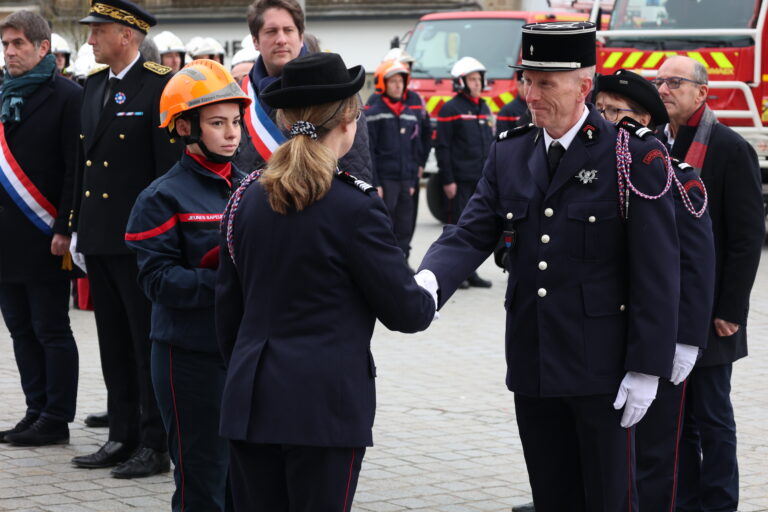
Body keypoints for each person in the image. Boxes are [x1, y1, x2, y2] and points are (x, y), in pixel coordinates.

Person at [417, 22, 681, 511]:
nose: (529, 94)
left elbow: (657, 268)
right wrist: (429, 281)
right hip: (535, 358)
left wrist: (648, 367)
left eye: (544, 82)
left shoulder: (631, 154)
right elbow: (472, 229)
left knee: (608, 499)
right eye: (526, 79)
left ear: (584, 86)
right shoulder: (510, 150)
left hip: (604, 369)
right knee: (552, 496)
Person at [216, 52, 436, 511]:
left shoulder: (246, 199)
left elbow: (228, 315)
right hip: (323, 408)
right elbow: (408, 312)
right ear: (348, 122)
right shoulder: (355, 206)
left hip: (250, 400)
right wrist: (434, 281)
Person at [125, 59, 249, 512]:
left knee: (242, 478)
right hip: (188, 357)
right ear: (183, 127)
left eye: (236, 121)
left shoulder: (251, 187)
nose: (232, 133)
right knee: (203, 479)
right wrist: (228, 284)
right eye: (217, 123)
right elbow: (158, 281)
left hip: (240, 351)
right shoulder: (161, 196)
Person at [593, 68, 716, 512]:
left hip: (658, 341)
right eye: (599, 109)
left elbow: (695, 265)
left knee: (652, 456)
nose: (603, 119)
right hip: (602, 337)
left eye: (615, 112)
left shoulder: (673, 175)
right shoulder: (590, 173)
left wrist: (685, 339)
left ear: (645, 121)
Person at [69, 0, 180, 479]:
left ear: (127, 36)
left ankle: (155, 443)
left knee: (144, 342)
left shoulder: (158, 86)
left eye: (99, 31)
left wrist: (164, 241)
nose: (90, 40)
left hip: (140, 240)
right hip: (99, 236)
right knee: (111, 342)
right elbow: (83, 166)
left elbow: (165, 173)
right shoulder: (93, 87)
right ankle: (122, 434)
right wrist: (76, 226)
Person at [653, 55, 765, 512]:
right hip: (670, 307)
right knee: (678, 421)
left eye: (674, 82)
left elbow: (746, 238)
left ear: (702, 92)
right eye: (659, 81)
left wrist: (731, 312)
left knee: (713, 416)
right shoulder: (658, 143)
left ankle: (719, 503)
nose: (663, 89)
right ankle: (685, 500)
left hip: (714, 311)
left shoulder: (728, 148)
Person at [0, 10, 81, 446]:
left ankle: (56, 416)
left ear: (43, 47)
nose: (9, 52)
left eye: (18, 44)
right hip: (6, 237)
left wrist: (67, 225)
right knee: (18, 327)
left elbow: (74, 170)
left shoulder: (67, 96)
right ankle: (34, 409)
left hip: (46, 232)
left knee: (50, 327)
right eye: (6, 44)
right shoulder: (3, 94)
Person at [235, 0, 372, 183]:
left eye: (288, 30)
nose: (281, 39)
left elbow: (356, 163)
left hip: (327, 204)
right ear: (255, 41)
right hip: (258, 205)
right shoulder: (240, 95)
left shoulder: (339, 88)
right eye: (271, 31)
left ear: (300, 37)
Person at [435, 56, 493, 288]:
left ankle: (471, 272)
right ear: (461, 82)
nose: (477, 83)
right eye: (472, 79)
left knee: (476, 229)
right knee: (458, 230)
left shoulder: (484, 107)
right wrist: (448, 180)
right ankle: (453, 274)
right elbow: (443, 147)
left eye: (479, 78)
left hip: (480, 180)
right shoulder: (451, 108)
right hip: (459, 181)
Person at [365, 59, 425, 260]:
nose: (398, 85)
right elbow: (370, 151)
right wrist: (376, 183)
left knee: (405, 225)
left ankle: (403, 265)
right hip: (386, 181)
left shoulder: (409, 114)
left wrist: (411, 181)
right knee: (385, 225)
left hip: (405, 181)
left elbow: (413, 149)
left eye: (401, 81)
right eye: (393, 81)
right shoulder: (373, 114)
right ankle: (384, 265)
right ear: (383, 83)